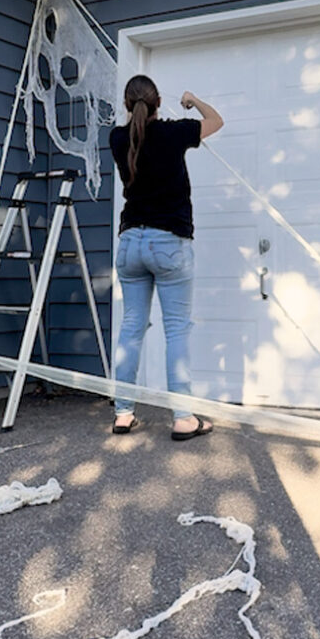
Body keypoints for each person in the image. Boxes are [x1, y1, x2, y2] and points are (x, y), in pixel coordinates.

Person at [109, 74, 223, 439]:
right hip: (169, 242)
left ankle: (123, 414)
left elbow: (138, 135)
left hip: (130, 244)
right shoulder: (175, 133)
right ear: (159, 102)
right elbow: (217, 121)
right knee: (176, 330)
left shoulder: (116, 138)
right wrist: (194, 99)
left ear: (128, 105)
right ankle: (183, 417)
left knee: (131, 329)